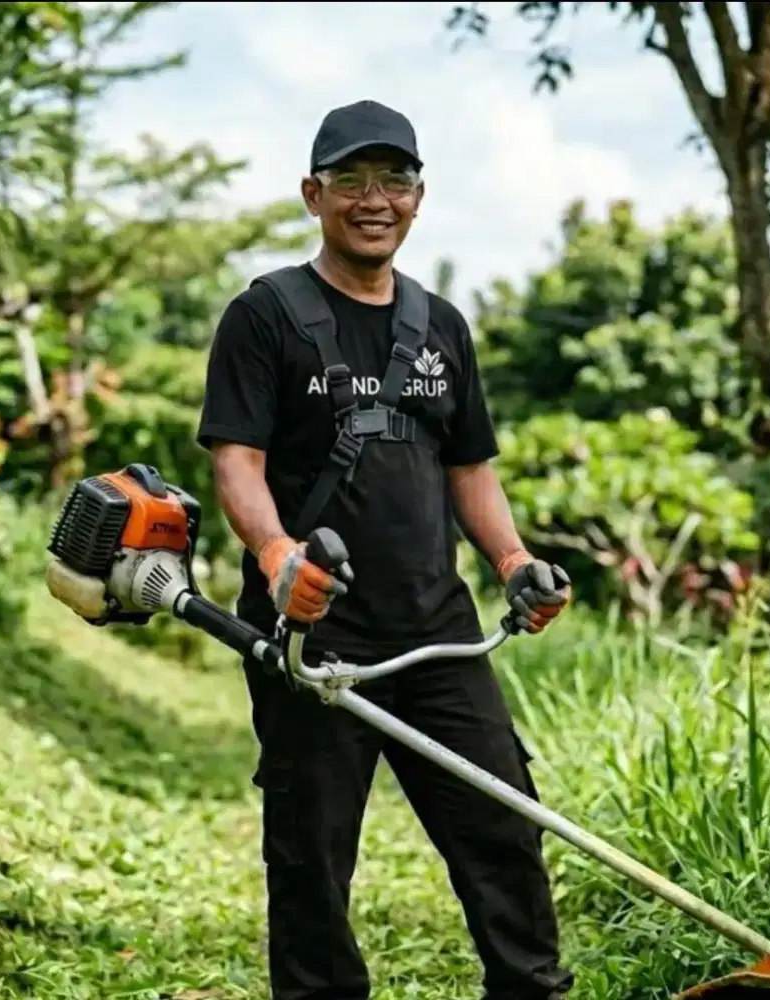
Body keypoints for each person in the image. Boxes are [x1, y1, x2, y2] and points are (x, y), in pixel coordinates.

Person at [196, 99, 574, 1000]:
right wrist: (277, 553)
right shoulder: (266, 316)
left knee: (504, 823)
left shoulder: (442, 325)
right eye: (354, 181)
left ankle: (532, 990)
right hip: (312, 636)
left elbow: (470, 469)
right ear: (313, 194)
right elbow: (235, 463)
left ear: (419, 196)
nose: (376, 199)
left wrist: (515, 564)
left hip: (438, 630)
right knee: (313, 849)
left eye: (394, 179)